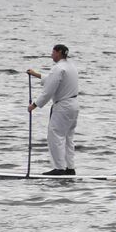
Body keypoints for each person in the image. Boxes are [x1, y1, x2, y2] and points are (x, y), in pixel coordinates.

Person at [27, 44, 79, 175]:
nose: (51, 54)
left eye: (53, 52)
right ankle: (70, 168)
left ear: (59, 53)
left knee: (55, 135)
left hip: (63, 106)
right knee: (68, 137)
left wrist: (34, 105)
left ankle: (59, 168)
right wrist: (35, 74)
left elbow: (48, 90)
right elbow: (53, 80)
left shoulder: (58, 68)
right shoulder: (71, 66)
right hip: (73, 105)